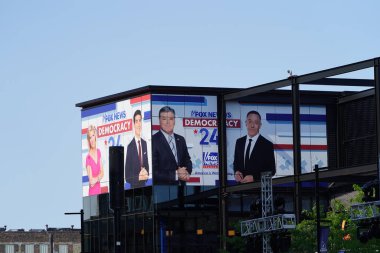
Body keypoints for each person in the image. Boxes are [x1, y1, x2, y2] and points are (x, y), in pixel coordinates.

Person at [152, 106, 192, 185]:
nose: (167, 122)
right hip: (163, 191)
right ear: (159, 121)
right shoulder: (153, 140)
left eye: (170, 119)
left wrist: (186, 172)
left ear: (174, 121)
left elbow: (187, 161)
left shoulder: (181, 139)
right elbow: (154, 171)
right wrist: (176, 174)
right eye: (164, 119)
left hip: (183, 189)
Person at [233, 110, 275, 183]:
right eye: (250, 121)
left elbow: (272, 170)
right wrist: (236, 172)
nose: (252, 125)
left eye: (256, 122)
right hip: (239, 189)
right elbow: (236, 163)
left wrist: (254, 178)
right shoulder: (239, 142)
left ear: (260, 125)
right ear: (246, 123)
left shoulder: (267, 145)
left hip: (257, 190)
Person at [125, 110, 149, 188]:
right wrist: (138, 178)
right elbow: (127, 175)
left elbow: (147, 166)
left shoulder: (144, 143)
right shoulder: (130, 146)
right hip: (134, 190)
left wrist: (146, 173)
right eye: (136, 121)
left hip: (144, 187)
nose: (138, 124)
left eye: (140, 121)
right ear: (134, 124)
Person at [85, 125, 104, 195]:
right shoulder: (88, 158)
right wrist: (99, 177)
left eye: (93, 136)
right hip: (92, 193)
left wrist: (96, 178)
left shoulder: (99, 152)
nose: (92, 139)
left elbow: (103, 173)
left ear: (95, 136)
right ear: (89, 140)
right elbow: (91, 182)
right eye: (90, 137)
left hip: (99, 191)